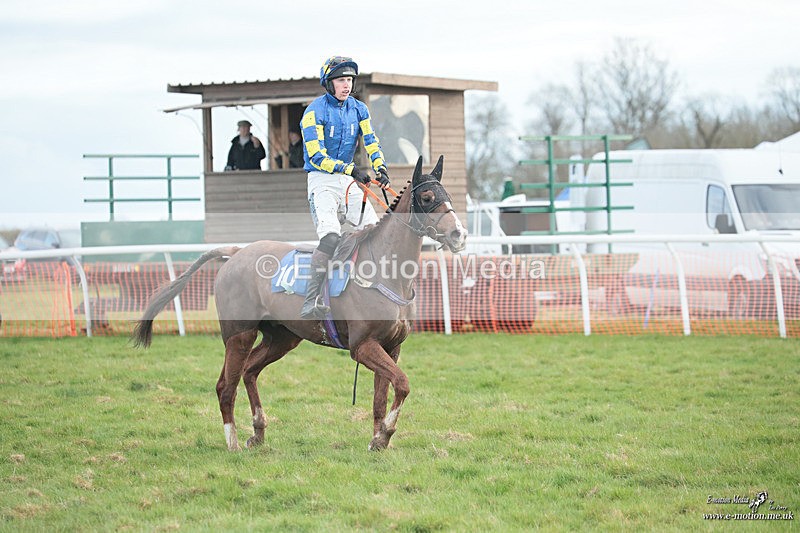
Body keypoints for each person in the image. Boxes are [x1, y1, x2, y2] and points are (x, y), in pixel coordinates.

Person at [299, 55, 391, 319]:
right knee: (330, 237)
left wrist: (380, 167)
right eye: (341, 80)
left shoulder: (359, 109)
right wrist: (349, 168)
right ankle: (310, 299)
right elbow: (316, 156)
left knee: (375, 232)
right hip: (322, 180)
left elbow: (371, 141)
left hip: (347, 180)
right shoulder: (313, 112)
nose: (346, 85)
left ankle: (374, 292)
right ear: (329, 83)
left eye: (349, 80)